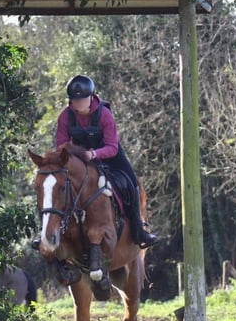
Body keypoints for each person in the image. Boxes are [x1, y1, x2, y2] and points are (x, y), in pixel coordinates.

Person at [44, 74, 159, 249]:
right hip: (79, 159)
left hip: (109, 155)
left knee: (131, 182)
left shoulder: (104, 114)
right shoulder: (65, 117)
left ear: (91, 97)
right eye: (75, 100)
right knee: (51, 184)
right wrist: (75, 158)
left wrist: (95, 154)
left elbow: (112, 146)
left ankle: (138, 229)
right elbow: (62, 146)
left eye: (83, 99)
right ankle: (47, 232)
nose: (79, 104)